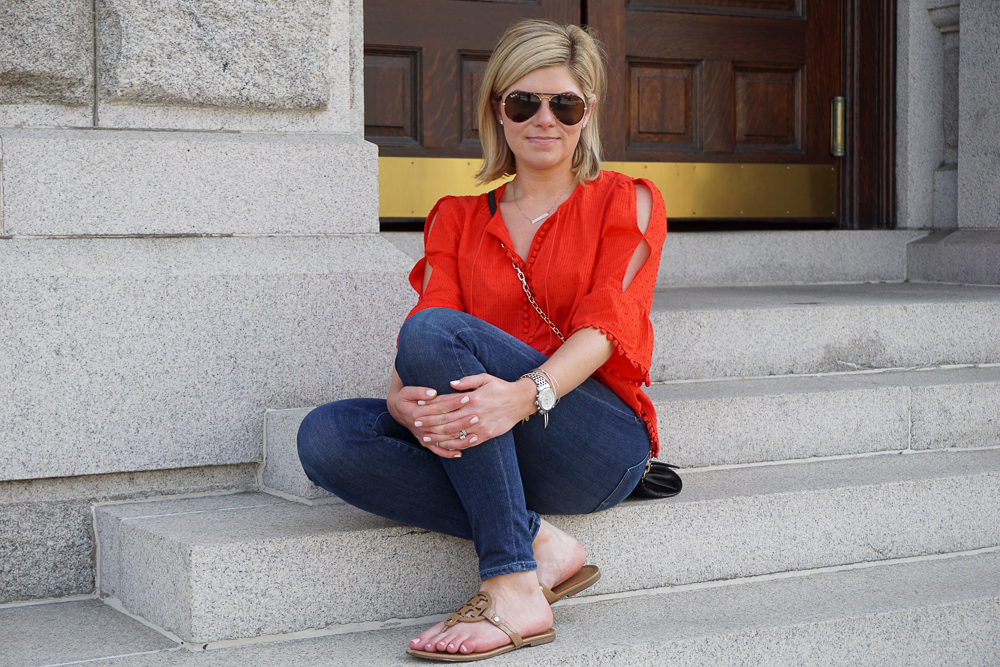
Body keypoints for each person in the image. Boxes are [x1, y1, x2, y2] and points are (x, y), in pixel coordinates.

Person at [297, 19, 666, 662]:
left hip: (593, 441)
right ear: (497, 111)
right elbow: (424, 328)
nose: (543, 119)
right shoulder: (457, 217)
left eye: (564, 104)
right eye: (523, 102)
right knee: (326, 437)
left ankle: (511, 583)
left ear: (588, 113)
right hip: (493, 439)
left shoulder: (625, 201)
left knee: (438, 334)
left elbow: (606, 329)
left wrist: (525, 396)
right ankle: (539, 542)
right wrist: (400, 405)